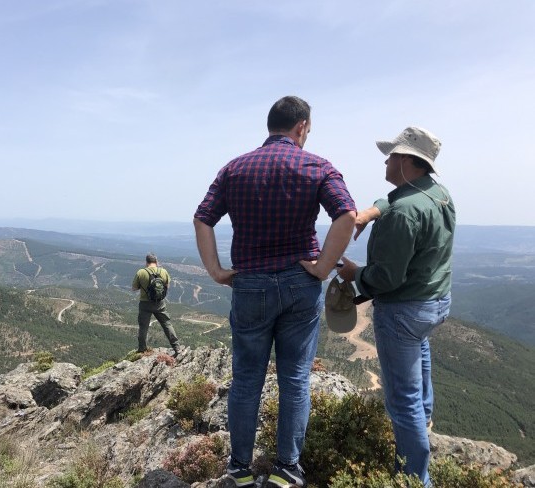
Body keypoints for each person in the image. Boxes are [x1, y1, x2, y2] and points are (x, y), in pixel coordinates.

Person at [194, 95, 356, 488]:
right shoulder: (316, 166)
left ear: (271, 125)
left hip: (249, 283)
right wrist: (320, 267)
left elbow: (203, 217)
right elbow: (347, 214)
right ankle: (287, 470)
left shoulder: (234, 169)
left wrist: (216, 271)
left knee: (247, 379)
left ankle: (239, 469)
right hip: (300, 284)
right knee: (295, 379)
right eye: (309, 130)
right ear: (301, 126)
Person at [336, 126, 455, 487]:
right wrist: (371, 211)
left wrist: (356, 274)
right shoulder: (439, 194)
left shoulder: (403, 213)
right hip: (435, 303)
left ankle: (415, 478)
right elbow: (397, 198)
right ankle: (426, 419)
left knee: (402, 402)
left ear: (406, 161)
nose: (386, 161)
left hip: (403, 309)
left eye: (391, 156)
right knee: (419, 352)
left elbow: (386, 279)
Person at [131, 253, 181, 355]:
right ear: (156, 262)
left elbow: (134, 288)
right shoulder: (163, 271)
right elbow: (167, 286)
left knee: (143, 327)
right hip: (159, 304)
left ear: (146, 262)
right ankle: (177, 348)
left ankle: (142, 350)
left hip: (145, 304)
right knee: (167, 324)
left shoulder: (141, 272)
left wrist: (144, 286)